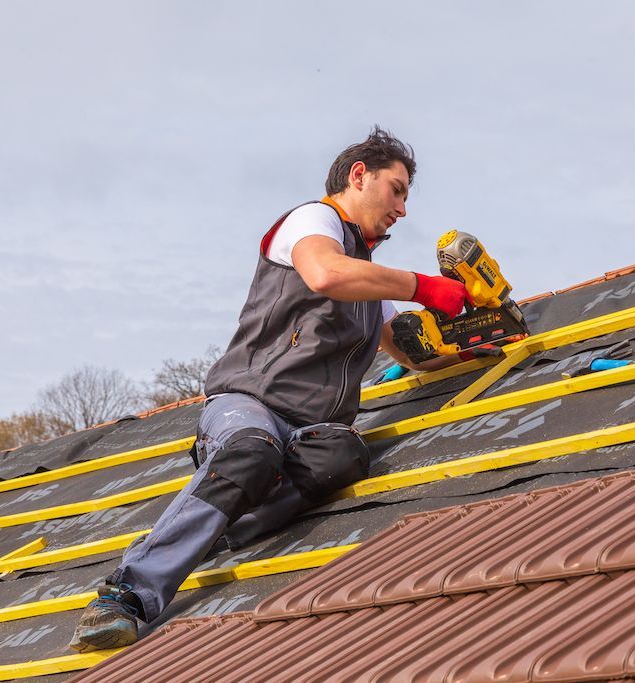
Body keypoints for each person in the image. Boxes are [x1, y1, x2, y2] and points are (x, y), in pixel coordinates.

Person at [70, 126, 468, 652]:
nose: (402, 209)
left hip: (310, 428)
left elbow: (412, 352)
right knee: (252, 452)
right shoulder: (314, 220)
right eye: (397, 190)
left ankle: (215, 528)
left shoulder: (367, 276)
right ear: (358, 176)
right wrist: (424, 286)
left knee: (345, 453)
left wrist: (475, 343)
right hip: (247, 405)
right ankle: (125, 596)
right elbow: (325, 274)